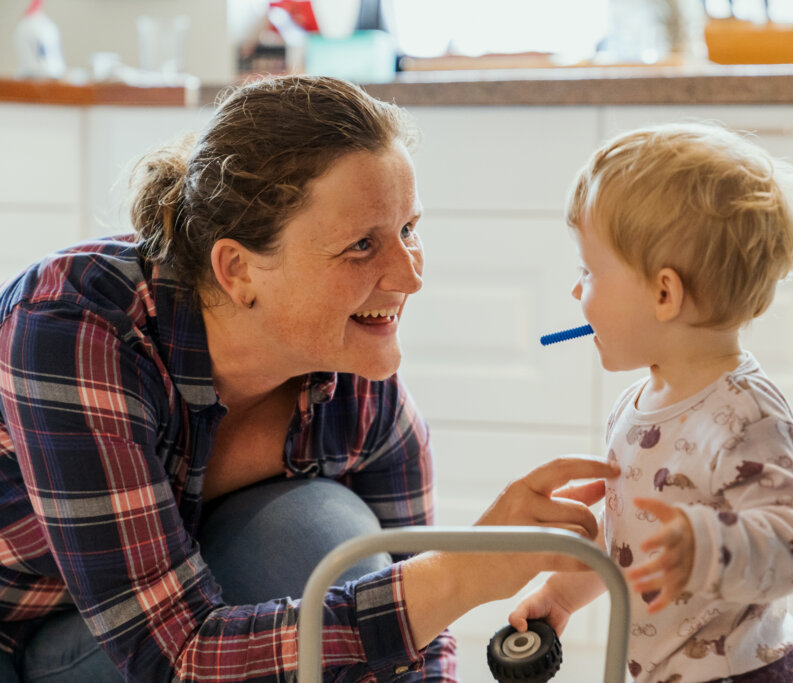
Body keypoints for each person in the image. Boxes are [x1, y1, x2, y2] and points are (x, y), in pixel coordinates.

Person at [0, 75, 617, 682]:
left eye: (408, 230)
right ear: (237, 269)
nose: (410, 276)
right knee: (324, 554)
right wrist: (462, 572)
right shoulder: (76, 326)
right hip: (32, 637)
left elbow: (418, 637)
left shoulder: (360, 388)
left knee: (320, 532)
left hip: (177, 623)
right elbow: (176, 657)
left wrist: (444, 589)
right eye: (360, 245)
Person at [508, 122, 793, 682]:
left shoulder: (743, 414)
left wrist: (706, 544)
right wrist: (563, 594)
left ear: (664, 293)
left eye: (589, 272)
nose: (576, 293)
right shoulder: (637, 407)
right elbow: (630, 541)